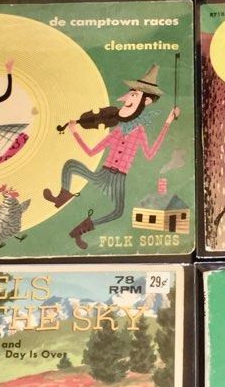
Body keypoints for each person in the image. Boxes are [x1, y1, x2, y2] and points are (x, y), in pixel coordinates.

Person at [43, 64, 179, 250]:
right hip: (103, 173)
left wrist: (167, 123)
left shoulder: (139, 131)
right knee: (70, 165)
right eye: (129, 95)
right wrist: (75, 132)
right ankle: (62, 196)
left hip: (119, 178)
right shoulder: (117, 130)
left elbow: (150, 154)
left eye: (133, 96)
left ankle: (81, 230)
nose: (126, 100)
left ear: (145, 101)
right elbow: (91, 152)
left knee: (118, 212)